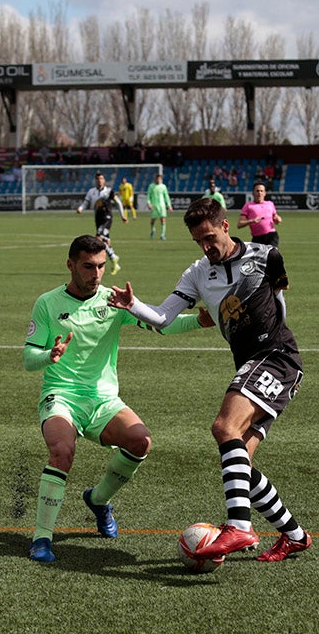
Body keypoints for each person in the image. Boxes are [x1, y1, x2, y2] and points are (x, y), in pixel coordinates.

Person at [108, 198, 312, 563]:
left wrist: (272, 347)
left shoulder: (267, 256)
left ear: (226, 227)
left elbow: (280, 303)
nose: (206, 247)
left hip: (277, 357)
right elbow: (163, 317)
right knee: (240, 463)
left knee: (224, 426)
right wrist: (133, 304)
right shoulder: (198, 273)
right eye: (198, 241)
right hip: (253, 363)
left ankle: (239, 526)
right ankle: (294, 536)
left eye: (209, 237)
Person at [23, 235, 212, 563]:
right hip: (62, 397)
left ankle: (97, 500)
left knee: (141, 442)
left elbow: (159, 324)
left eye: (100, 266)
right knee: (61, 450)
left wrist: (198, 320)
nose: (96, 273)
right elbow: (29, 357)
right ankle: (41, 538)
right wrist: (49, 356)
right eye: (88, 266)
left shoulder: (114, 300)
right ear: (70, 265)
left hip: (102, 399)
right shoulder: (47, 303)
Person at [76, 171, 126, 275]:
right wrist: (81, 208)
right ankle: (115, 264)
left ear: (104, 180)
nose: (99, 181)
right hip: (97, 219)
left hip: (107, 218)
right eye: (98, 179)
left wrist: (122, 215)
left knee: (98, 238)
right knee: (106, 242)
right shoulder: (91, 192)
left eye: (101, 179)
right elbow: (86, 203)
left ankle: (113, 257)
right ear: (95, 180)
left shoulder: (109, 191)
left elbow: (118, 202)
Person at [237, 182, 281, 248]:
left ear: (265, 193)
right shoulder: (248, 206)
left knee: (272, 256)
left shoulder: (270, 204)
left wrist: (278, 219)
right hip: (257, 238)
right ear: (253, 193)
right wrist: (252, 221)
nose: (259, 193)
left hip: (271, 235)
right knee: (257, 258)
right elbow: (239, 224)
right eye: (257, 191)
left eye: (261, 191)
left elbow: (276, 218)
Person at [146, 173, 173, 240]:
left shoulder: (163, 186)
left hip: (162, 206)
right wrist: (149, 203)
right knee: (152, 220)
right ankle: (153, 230)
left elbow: (166, 196)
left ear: (161, 179)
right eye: (157, 178)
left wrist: (169, 205)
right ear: (155, 179)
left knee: (163, 220)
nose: (158, 180)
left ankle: (162, 235)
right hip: (154, 205)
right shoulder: (151, 186)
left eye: (160, 179)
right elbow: (148, 195)